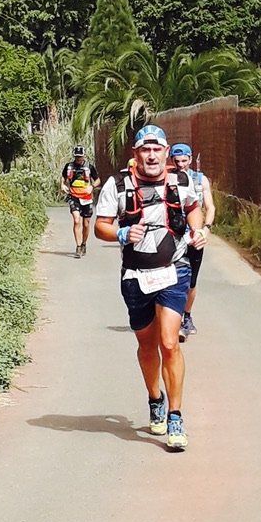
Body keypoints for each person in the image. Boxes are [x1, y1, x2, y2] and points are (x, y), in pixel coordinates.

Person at [95, 124, 208, 451]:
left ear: (166, 152)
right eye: (146, 149)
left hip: (175, 269)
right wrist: (120, 234)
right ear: (136, 154)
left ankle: (175, 415)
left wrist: (198, 231)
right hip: (136, 275)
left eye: (157, 149)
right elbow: (101, 226)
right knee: (147, 345)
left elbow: (194, 209)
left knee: (169, 343)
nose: (152, 155)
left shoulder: (181, 181)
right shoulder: (118, 185)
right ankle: (155, 398)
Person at [169, 143, 215, 341]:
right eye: (177, 161)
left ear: (190, 159)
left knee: (191, 281)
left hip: (194, 237)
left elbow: (210, 207)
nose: (181, 165)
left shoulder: (200, 180)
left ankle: (186, 316)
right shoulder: (168, 179)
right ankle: (174, 318)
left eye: (184, 161)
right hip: (173, 237)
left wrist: (206, 229)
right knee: (172, 278)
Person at [60, 145, 100, 258]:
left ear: (84, 156)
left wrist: (92, 186)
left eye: (80, 157)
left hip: (86, 198)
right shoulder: (69, 166)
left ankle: (83, 243)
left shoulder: (89, 167)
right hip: (74, 196)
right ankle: (78, 247)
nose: (78, 159)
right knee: (77, 220)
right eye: (76, 157)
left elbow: (97, 180)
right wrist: (62, 185)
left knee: (86, 224)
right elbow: (63, 177)